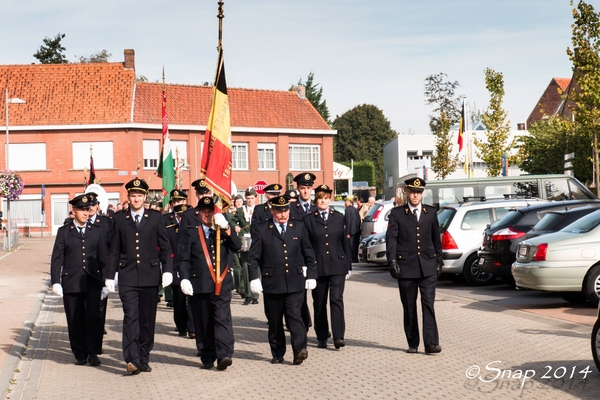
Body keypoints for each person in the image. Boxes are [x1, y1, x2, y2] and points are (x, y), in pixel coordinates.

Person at [105, 178, 173, 375]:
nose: (136, 199)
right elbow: (114, 250)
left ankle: (144, 357)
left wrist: (167, 269)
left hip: (150, 276)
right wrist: (110, 275)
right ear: (128, 197)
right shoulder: (119, 219)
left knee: (147, 319)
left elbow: (165, 247)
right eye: (133, 196)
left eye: (140, 196)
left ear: (145, 197)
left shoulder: (156, 218)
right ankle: (132, 359)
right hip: (127, 276)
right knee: (130, 318)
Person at [248, 195, 317, 365]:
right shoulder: (262, 228)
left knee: (295, 317)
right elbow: (253, 256)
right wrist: (254, 278)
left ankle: (300, 349)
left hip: (294, 281)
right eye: (279, 211)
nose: (283, 214)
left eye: (286, 210)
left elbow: (309, 253)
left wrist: (312, 275)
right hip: (272, 282)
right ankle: (278, 352)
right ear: (272, 211)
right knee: (275, 319)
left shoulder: (298, 227)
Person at [179, 197, 241, 370]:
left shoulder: (221, 230)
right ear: (198, 213)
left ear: (216, 213)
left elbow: (237, 245)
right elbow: (184, 258)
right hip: (200, 283)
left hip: (222, 283)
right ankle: (207, 356)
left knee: (222, 319)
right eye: (204, 212)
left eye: (210, 211)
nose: (207, 215)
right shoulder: (191, 232)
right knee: (203, 321)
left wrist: (227, 228)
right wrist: (184, 278)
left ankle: (224, 355)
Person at [385, 177, 443, 354]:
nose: (415, 195)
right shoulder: (397, 214)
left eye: (418, 192)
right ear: (407, 193)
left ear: (422, 194)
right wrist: (392, 261)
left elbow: (436, 238)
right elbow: (391, 239)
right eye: (412, 192)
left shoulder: (430, 213)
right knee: (409, 306)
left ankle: (431, 343)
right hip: (406, 266)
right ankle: (412, 342)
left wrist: (439, 261)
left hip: (427, 265)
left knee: (428, 304)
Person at [50, 194, 108, 366]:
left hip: (92, 281)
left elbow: (102, 258)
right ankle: (80, 353)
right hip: (72, 281)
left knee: (93, 317)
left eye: (87, 209)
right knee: (75, 319)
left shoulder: (96, 231)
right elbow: (57, 258)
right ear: (73, 210)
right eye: (82, 209)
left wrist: (106, 282)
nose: (85, 212)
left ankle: (93, 352)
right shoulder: (64, 232)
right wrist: (56, 281)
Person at [303, 184, 351, 350]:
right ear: (316, 200)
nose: (323, 201)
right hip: (318, 266)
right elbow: (306, 245)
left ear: (330, 199)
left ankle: (338, 336)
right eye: (320, 198)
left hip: (338, 264)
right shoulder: (308, 219)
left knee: (336, 299)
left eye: (325, 198)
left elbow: (345, 241)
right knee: (319, 302)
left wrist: (349, 265)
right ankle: (322, 335)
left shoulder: (338, 216)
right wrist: (307, 267)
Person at [86, 192, 114, 352]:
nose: (90, 208)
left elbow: (111, 248)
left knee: (99, 310)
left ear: (98, 206)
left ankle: (96, 346)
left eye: (93, 205)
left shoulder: (106, 223)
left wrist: (111, 273)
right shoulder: (78, 221)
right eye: (87, 205)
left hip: (101, 270)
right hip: (83, 271)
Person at [163, 189, 192, 337]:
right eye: (174, 202)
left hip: (192, 263)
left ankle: (192, 327)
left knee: (193, 298)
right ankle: (181, 326)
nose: (177, 204)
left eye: (179, 201)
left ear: (185, 202)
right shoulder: (166, 220)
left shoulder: (193, 216)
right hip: (175, 263)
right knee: (179, 299)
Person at [344, 198, 361, 263]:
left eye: (345, 203)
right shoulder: (355, 210)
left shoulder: (347, 210)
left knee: (351, 245)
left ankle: (352, 258)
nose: (344, 204)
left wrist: (347, 232)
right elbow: (358, 220)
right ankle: (355, 258)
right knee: (355, 244)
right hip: (356, 230)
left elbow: (348, 221)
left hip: (351, 230)